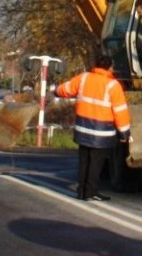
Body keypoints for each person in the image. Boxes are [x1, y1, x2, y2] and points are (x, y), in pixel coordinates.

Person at [55, 55, 131, 202]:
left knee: (84, 161)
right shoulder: (113, 85)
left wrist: (56, 91)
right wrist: (124, 133)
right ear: (109, 67)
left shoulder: (84, 78)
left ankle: (82, 191)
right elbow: (120, 111)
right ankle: (91, 192)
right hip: (101, 132)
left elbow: (67, 89)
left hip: (83, 129)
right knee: (96, 163)